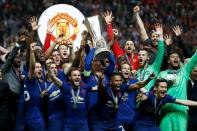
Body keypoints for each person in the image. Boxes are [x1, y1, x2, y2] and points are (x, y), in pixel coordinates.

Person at [157, 49, 197, 131]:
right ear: (168, 61)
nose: (175, 58)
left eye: (177, 57)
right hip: (166, 112)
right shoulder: (162, 74)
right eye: (172, 57)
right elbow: (157, 92)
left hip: (181, 112)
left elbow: (195, 58)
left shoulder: (184, 71)